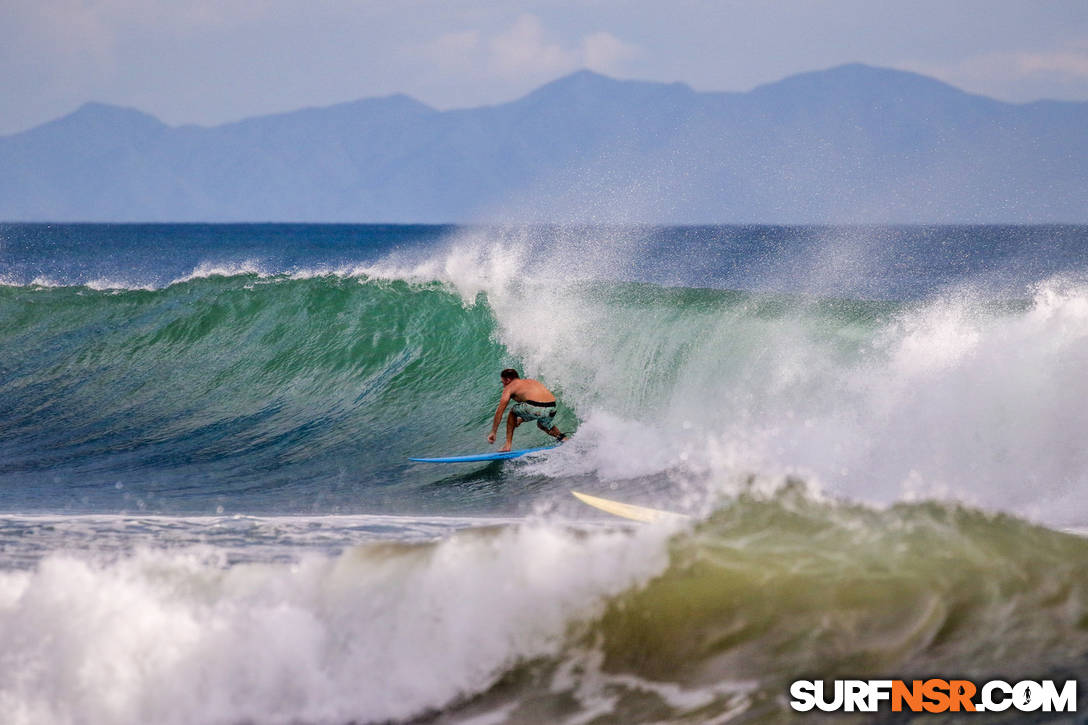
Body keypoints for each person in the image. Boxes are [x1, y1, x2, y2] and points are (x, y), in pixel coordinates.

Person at [487, 368, 567, 452]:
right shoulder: (531, 381)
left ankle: (507, 445)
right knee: (542, 425)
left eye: (503, 382)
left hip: (535, 406)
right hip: (552, 407)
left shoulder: (510, 387)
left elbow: (500, 411)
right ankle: (564, 439)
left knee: (513, 411)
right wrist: (522, 419)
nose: (503, 386)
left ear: (508, 380)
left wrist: (493, 432)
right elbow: (540, 408)